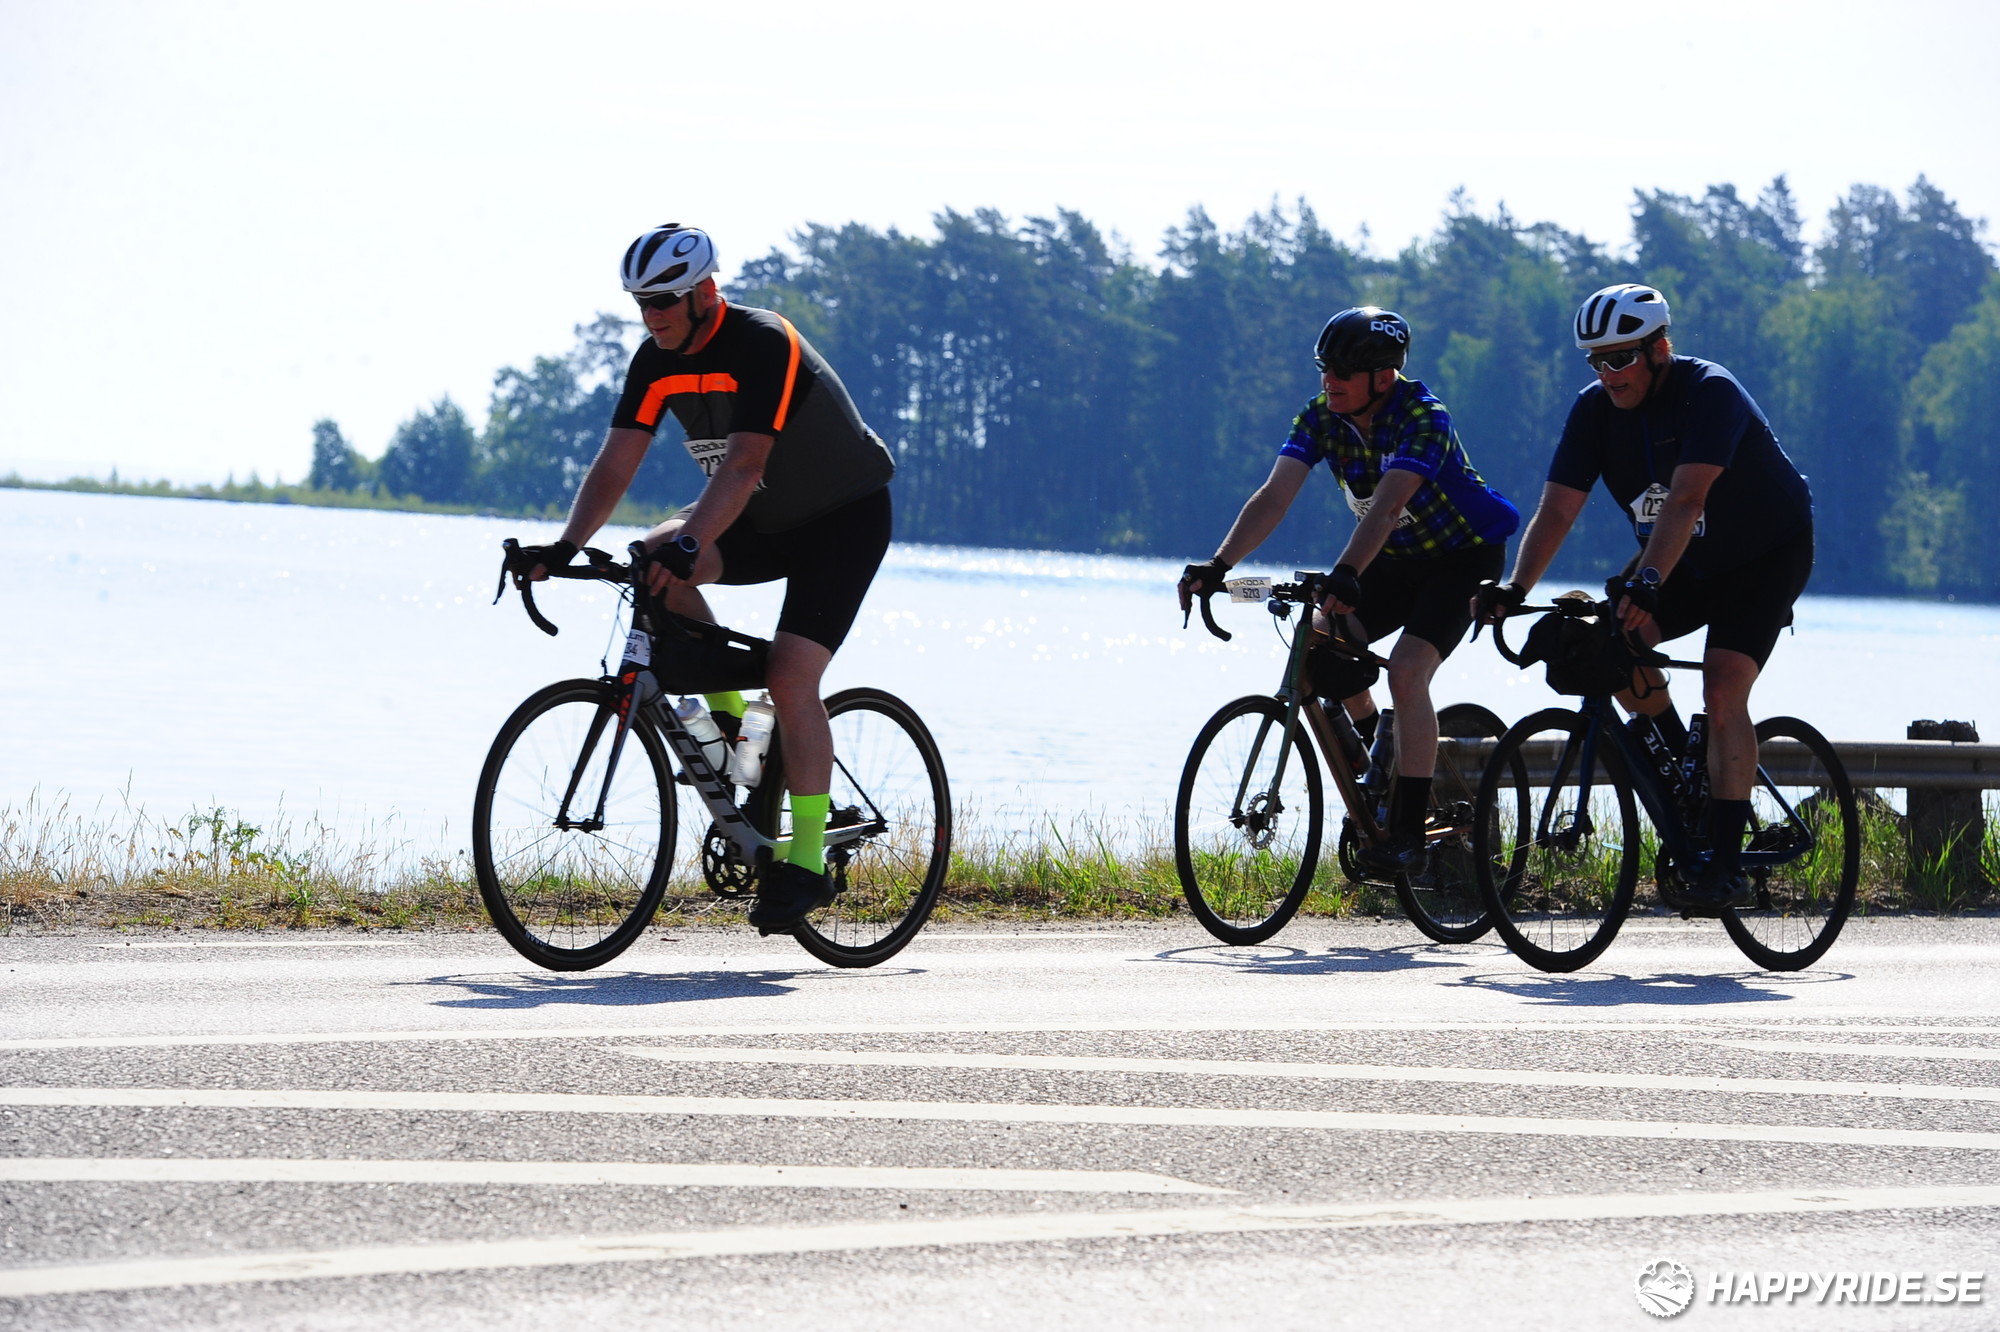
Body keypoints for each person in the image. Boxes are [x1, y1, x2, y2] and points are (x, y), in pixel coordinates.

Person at [514, 223, 896, 933]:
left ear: (706, 291)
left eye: (663, 299)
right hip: (760, 518)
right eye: (640, 302)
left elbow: (745, 465)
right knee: (652, 558)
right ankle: (734, 739)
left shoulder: (763, 341)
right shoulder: (654, 360)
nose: (651, 314)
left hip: (841, 521)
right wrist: (566, 546)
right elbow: (618, 460)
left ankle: (805, 863)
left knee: (790, 676)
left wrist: (694, 541)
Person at [1473, 283, 1815, 912]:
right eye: (1596, 362)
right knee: (1608, 645)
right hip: (1682, 557)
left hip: (1764, 557)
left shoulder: (1710, 391)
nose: (1608, 374)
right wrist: (1515, 587)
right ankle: (1684, 766)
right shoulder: (1594, 412)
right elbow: (1558, 510)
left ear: (1660, 349)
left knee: (1723, 686)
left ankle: (1725, 861)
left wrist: (1649, 582)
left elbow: (1686, 500)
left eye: (1621, 358)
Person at [1178, 307, 1520, 879]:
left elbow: (1387, 506)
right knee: (1319, 645)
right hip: (1394, 558)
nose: (1328, 380)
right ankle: (1376, 766)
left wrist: (1345, 572)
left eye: (1341, 372)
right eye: (1324, 369)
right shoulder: (1321, 415)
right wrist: (1219, 565)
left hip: (1461, 559)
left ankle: (1408, 833)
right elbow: (1274, 496)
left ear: (1383, 377)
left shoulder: (1424, 417)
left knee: (1407, 672)